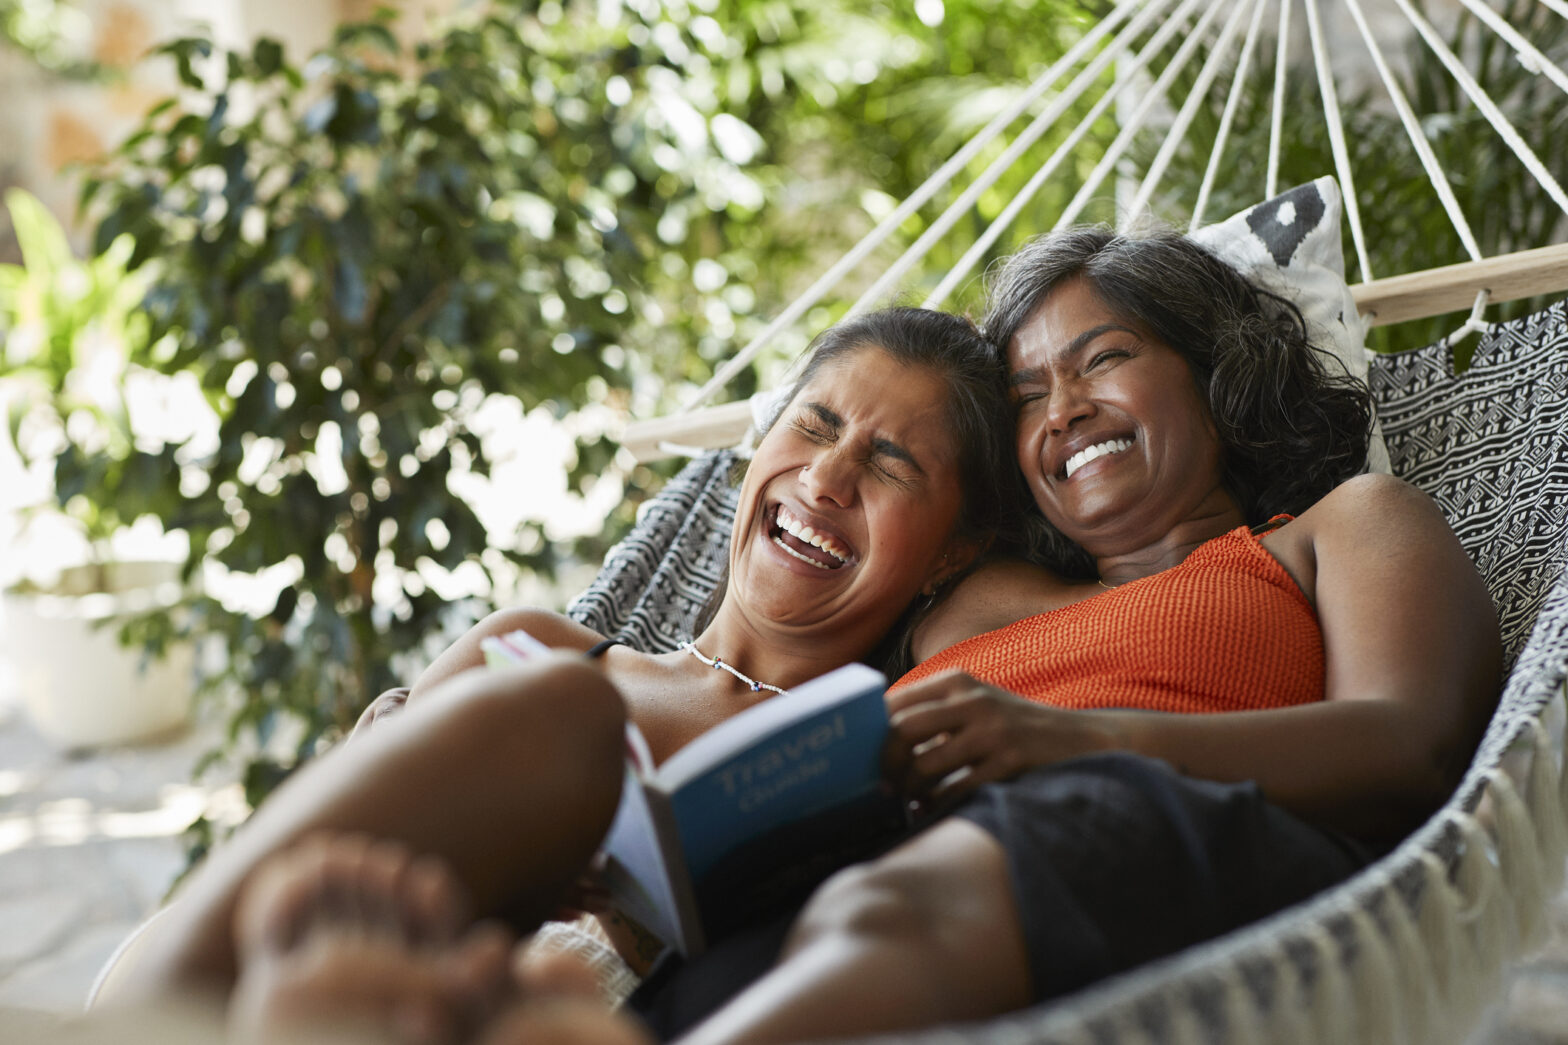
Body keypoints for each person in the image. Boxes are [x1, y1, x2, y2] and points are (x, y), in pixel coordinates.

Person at [618, 226, 1502, 1045]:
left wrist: (1077, 740)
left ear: (1216, 374)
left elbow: (1410, 745)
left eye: (1103, 360)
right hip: (874, 900)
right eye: (1028, 397)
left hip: (1160, 857)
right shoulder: (960, 601)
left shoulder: (1341, 527)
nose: (1063, 411)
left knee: (911, 900)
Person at [90, 305, 1023, 1038]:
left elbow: (1131, 592)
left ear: (955, 554)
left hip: (547, 1012)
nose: (828, 477)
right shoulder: (539, 643)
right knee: (551, 707)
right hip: (253, 982)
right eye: (814, 425)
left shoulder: (864, 746)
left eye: (891, 465)